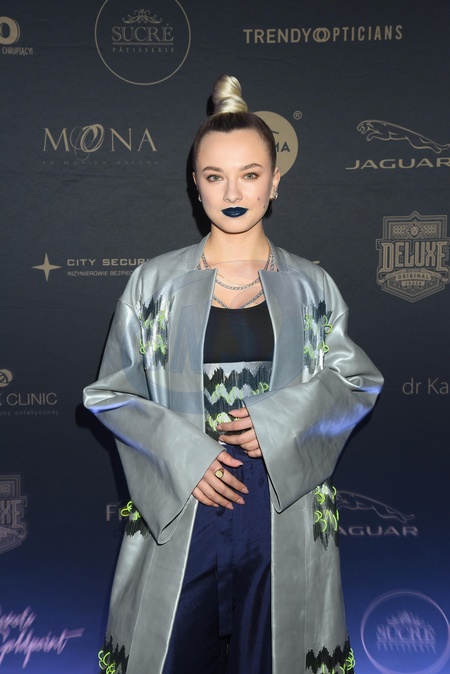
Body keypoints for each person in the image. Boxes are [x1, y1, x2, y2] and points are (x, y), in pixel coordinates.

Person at [84, 75, 383, 674]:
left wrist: (276, 423)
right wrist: (184, 453)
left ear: (275, 181)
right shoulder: (153, 284)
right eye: (215, 176)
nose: (233, 191)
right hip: (180, 506)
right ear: (195, 185)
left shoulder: (312, 286)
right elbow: (110, 393)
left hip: (283, 510)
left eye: (250, 174)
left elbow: (355, 381)